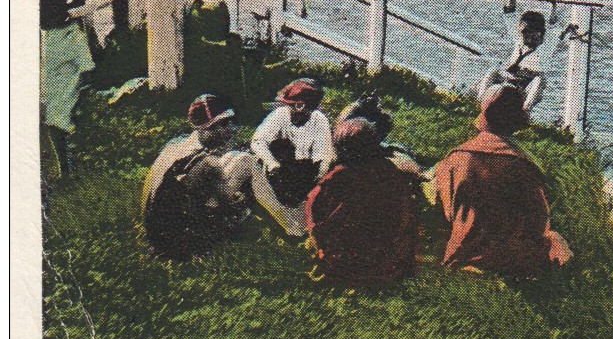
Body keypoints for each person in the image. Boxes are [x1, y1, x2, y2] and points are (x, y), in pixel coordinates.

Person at [434, 84, 573, 277]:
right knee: (557, 241)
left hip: (463, 255)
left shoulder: (455, 158)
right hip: (512, 262)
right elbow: (539, 223)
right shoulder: (524, 165)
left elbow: (446, 212)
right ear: (515, 121)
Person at [304, 117, 421, 288]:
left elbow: (313, 210)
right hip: (389, 266)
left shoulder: (337, 176)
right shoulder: (391, 173)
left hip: (343, 265)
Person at [141, 94, 256, 260]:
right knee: (244, 161)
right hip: (181, 244)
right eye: (224, 124)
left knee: (232, 159)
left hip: (155, 233)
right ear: (208, 128)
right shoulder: (208, 162)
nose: (232, 129)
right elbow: (228, 207)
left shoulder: (175, 146)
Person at [250, 79, 336, 237]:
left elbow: (325, 155)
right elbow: (258, 142)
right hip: (278, 168)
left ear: (300, 105)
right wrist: (271, 163)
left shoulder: (319, 120)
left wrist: (320, 174)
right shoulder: (280, 115)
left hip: (303, 173)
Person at [41, 0, 94, 181]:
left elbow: (87, 67)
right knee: (56, 130)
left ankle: (71, 171)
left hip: (69, 91)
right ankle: (67, 171)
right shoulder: (51, 34)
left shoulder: (72, 34)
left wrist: (83, 92)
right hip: (56, 91)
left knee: (64, 131)